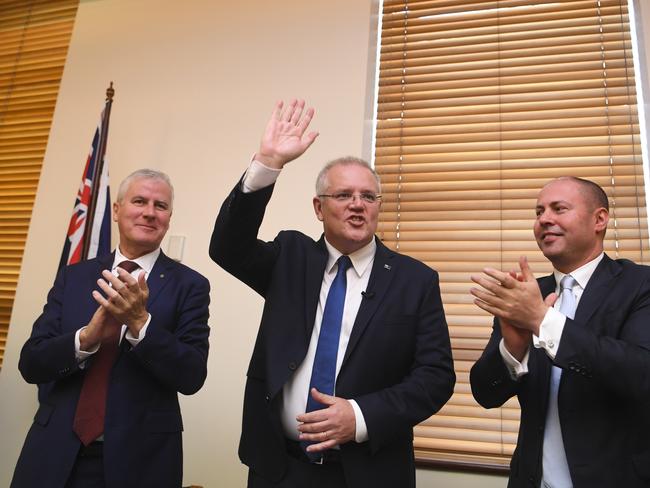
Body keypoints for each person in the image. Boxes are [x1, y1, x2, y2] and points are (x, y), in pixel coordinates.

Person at [209, 99, 455, 488]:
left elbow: (435, 377)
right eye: (343, 196)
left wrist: (360, 416)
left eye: (368, 197)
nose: (357, 205)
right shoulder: (290, 258)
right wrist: (268, 164)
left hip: (369, 471)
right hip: (279, 468)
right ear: (318, 208)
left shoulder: (414, 280)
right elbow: (227, 247)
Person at [11, 169, 211, 488]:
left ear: (169, 217)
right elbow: (31, 363)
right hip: (54, 452)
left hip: (141, 461)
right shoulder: (74, 277)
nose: (149, 212)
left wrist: (140, 324)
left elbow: (191, 376)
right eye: (139, 201)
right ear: (116, 211)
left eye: (160, 206)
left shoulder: (190, 286)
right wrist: (85, 340)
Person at [469, 176, 650, 487]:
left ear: (600, 220)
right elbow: (486, 393)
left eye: (559, 208)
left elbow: (640, 373)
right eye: (539, 212)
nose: (544, 220)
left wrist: (543, 322)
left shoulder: (639, 285)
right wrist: (512, 351)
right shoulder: (527, 293)